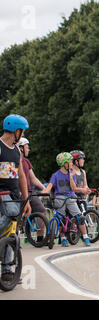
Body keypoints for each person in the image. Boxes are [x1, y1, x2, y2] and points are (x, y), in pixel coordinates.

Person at [0, 114, 32, 281]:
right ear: (16, 130)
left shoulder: (16, 152)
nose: (23, 135)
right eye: (22, 131)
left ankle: (7, 270)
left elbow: (21, 177)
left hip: (14, 196)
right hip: (2, 195)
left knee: (12, 233)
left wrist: (26, 200)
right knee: (11, 214)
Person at [43, 152, 91, 247]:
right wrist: (44, 193)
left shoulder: (71, 174)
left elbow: (73, 188)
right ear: (64, 163)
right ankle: (63, 238)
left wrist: (71, 177)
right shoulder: (55, 175)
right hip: (59, 198)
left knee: (79, 217)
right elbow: (49, 186)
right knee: (61, 218)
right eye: (70, 162)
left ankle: (85, 237)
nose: (72, 164)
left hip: (71, 197)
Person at [17, 137, 48, 244]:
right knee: (18, 216)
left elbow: (33, 179)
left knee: (42, 211)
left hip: (30, 192)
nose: (28, 149)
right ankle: (14, 239)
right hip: (18, 193)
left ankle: (40, 238)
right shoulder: (13, 161)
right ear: (20, 148)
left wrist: (44, 188)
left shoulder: (26, 161)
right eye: (27, 147)